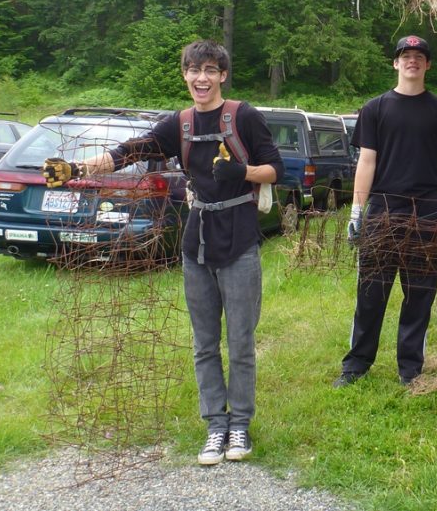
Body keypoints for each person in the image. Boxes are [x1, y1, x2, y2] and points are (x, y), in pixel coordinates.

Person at [42, 40, 282, 466]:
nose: (201, 78)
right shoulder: (181, 124)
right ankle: (215, 427)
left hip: (240, 241)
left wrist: (241, 171)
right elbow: (132, 151)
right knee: (205, 343)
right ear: (185, 75)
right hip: (197, 244)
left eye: (210, 70)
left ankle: (240, 425)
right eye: (194, 70)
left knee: (240, 341)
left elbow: (276, 169)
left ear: (223, 75)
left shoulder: (244, 116)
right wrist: (78, 169)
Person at [333, 35, 437, 387]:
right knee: (371, 291)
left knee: (420, 292)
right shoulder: (374, 109)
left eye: (419, 56)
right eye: (405, 55)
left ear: (427, 65)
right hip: (382, 210)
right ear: (395, 63)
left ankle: (410, 369)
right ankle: (356, 366)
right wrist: (356, 211)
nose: (412, 61)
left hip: (425, 212)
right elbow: (367, 160)